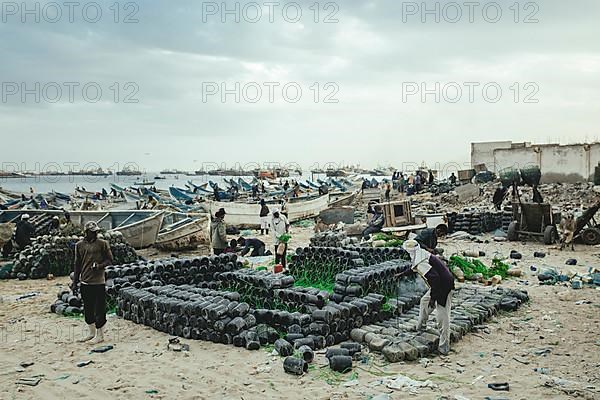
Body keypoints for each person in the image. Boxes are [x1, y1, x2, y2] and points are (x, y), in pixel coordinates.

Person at [402, 239, 455, 355]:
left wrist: (433, 298)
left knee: (442, 316)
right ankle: (421, 327)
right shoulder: (421, 254)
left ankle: (444, 346)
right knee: (423, 301)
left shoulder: (421, 261)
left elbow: (435, 278)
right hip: (439, 283)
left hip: (443, 286)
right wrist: (401, 274)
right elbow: (414, 268)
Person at [72, 221, 113, 343]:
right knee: (88, 309)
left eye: (96, 232)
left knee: (99, 309)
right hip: (85, 282)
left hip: (98, 282)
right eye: (92, 232)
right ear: (86, 232)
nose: (95, 234)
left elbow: (110, 260)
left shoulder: (103, 244)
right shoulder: (79, 245)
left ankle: (100, 335)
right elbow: (77, 264)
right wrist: (75, 281)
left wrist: (100, 266)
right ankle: (91, 333)